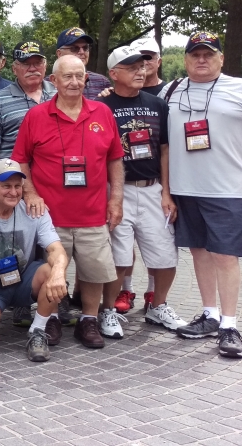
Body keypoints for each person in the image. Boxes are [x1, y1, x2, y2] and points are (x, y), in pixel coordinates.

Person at [10, 55, 124, 348]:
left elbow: (115, 160)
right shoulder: (36, 116)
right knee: (51, 270)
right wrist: (31, 193)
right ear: (54, 81)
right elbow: (21, 161)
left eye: (79, 76)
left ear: (87, 79)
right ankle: (51, 319)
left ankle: (88, 320)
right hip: (50, 215)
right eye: (67, 76)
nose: (74, 82)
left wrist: (116, 199)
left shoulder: (102, 113)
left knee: (94, 271)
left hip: (92, 211)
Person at [162, 32, 242, 357]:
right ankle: (209, 314)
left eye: (208, 53)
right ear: (185, 59)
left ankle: (230, 324)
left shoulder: (237, 88)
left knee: (225, 255)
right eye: (195, 54)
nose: (201, 59)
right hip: (185, 188)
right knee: (199, 252)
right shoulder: (171, 90)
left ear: (221, 58)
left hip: (227, 188)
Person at [99, 46, 185, 330]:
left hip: (152, 189)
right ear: (114, 74)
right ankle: (108, 310)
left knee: (164, 254)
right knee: (119, 258)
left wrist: (166, 192)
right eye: (131, 67)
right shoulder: (102, 107)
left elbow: (164, 150)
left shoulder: (157, 104)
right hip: (118, 190)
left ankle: (158, 306)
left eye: (142, 65)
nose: (140, 70)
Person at [0, 159, 68, 362]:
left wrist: (59, 272)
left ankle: (38, 330)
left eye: (17, 186)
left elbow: (56, 249)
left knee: (51, 270)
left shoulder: (35, 211)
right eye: (6, 186)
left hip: (24, 281)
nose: (13, 192)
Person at [0, 41, 57, 193]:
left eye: (37, 63)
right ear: (14, 69)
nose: (32, 68)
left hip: (53, 179)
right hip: (12, 183)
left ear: (45, 65)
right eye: (26, 64)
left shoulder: (59, 94)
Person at [56, 27, 111, 100]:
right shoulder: (47, 84)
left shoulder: (102, 82)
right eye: (74, 48)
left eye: (85, 48)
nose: (82, 52)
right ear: (59, 54)